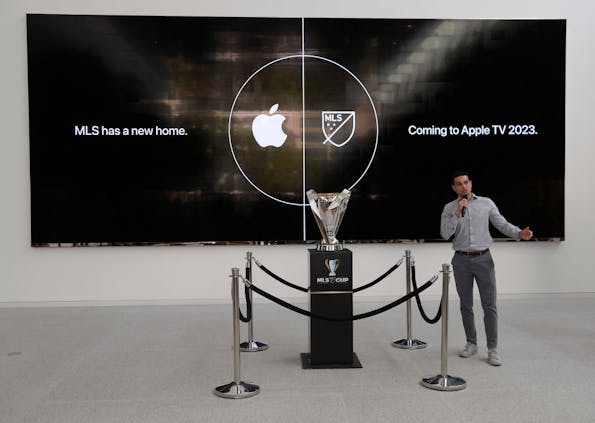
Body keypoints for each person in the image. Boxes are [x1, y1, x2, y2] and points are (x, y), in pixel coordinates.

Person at [440, 171, 533, 366]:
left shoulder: (487, 203)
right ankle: (471, 343)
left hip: (483, 258)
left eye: (466, 182)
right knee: (466, 305)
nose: (463, 186)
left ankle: (492, 349)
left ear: (471, 184)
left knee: (489, 305)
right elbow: (445, 234)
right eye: (459, 184)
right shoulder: (449, 208)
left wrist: (519, 234)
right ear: (454, 188)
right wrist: (458, 212)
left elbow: (502, 224)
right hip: (461, 260)